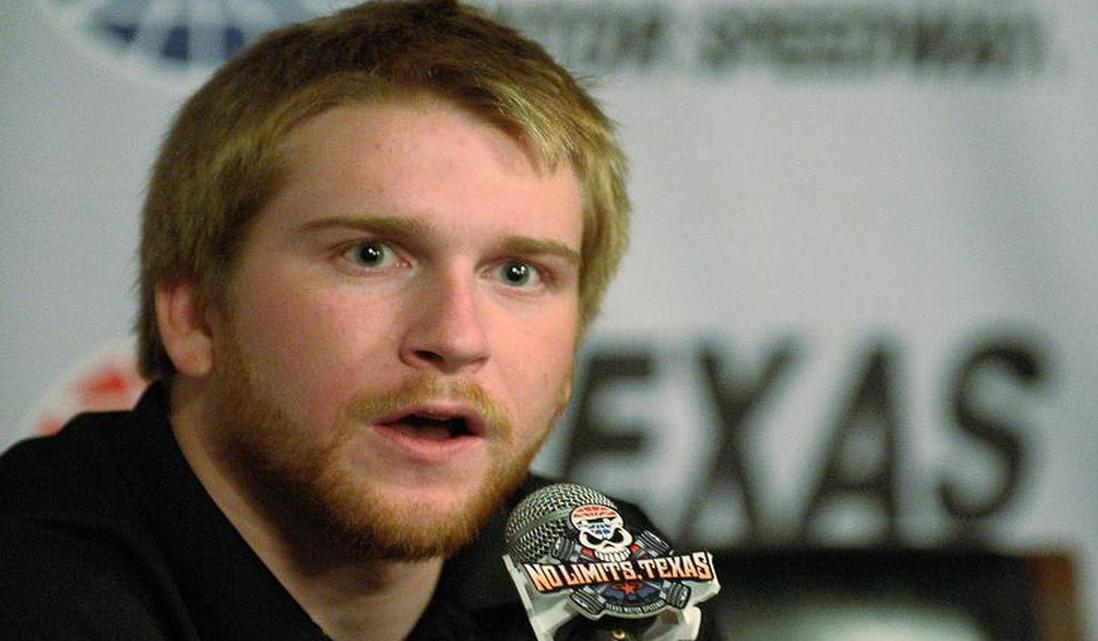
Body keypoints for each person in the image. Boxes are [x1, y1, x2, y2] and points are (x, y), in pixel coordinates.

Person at [0, 1, 716, 640]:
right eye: (371, 255)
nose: (457, 338)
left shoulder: (611, 585)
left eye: (519, 273)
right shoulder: (34, 584)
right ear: (194, 314)